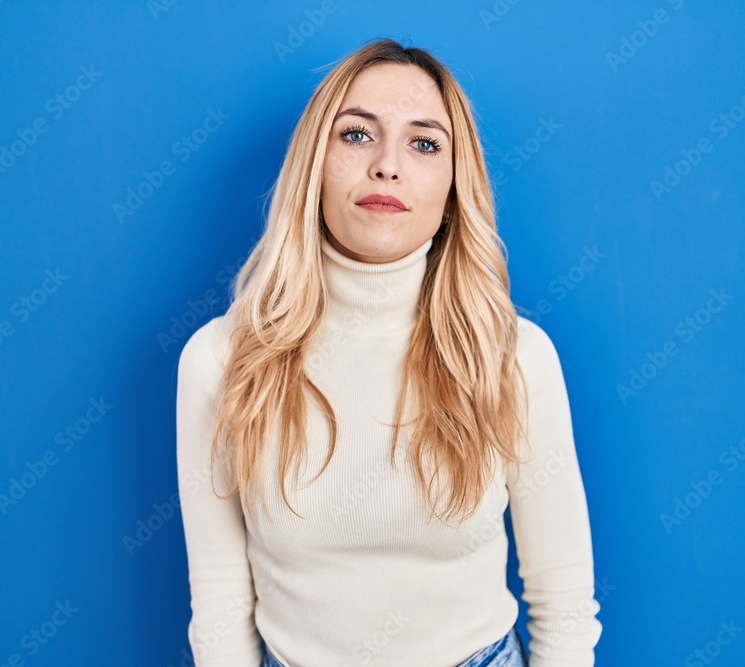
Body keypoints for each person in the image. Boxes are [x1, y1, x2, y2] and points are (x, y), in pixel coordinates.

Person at [175, 37, 602, 667]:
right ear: (313, 165)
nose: (387, 165)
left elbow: (563, 600)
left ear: (456, 186)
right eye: (356, 135)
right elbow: (219, 603)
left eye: (424, 143)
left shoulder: (514, 358)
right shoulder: (220, 361)